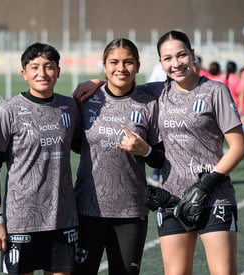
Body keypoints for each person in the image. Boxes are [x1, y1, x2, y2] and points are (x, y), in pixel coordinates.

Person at [73, 30, 244, 275]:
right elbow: (122, 84)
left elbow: (239, 147)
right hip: (171, 199)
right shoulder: (157, 92)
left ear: (193, 55)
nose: (176, 63)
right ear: (160, 63)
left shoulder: (215, 91)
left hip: (213, 197)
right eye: (168, 58)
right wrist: (97, 83)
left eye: (181, 55)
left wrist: (204, 186)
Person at [0, 42, 81, 275]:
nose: (42, 73)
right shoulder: (8, 110)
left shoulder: (69, 107)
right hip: (21, 219)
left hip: (63, 218)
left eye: (49, 66)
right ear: (24, 73)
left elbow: (82, 145)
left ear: (58, 71)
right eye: (34, 67)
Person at [73, 38, 164, 275]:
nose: (121, 68)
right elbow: (68, 143)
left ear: (138, 65)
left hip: (131, 212)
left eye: (128, 62)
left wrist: (144, 150)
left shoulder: (150, 103)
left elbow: (160, 159)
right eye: (114, 62)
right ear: (104, 65)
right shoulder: (85, 99)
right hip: (86, 209)